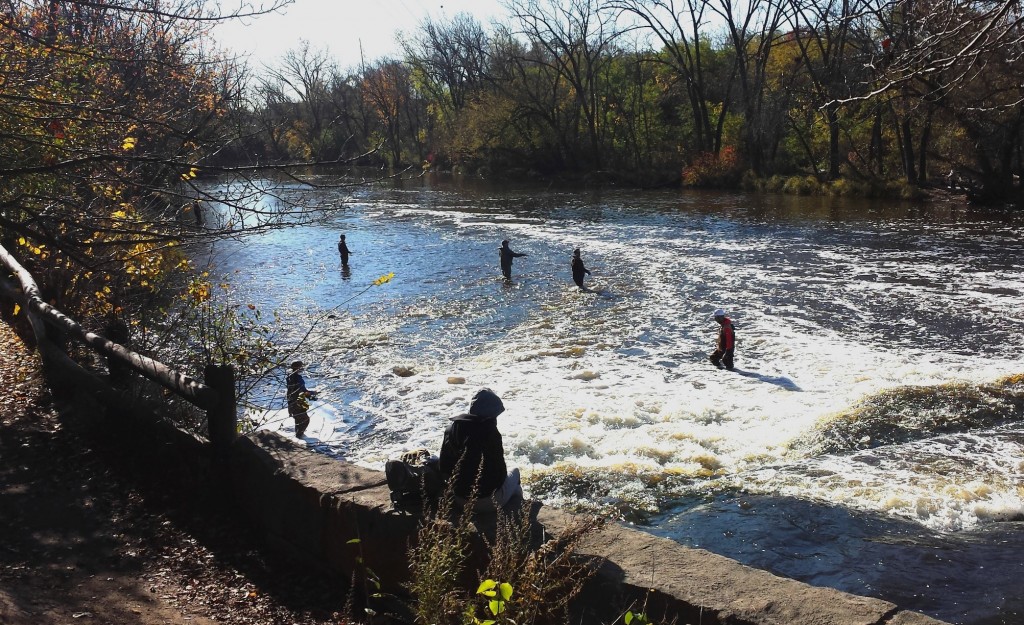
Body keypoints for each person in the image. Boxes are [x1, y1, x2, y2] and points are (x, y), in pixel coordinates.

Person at [439, 388, 522, 510]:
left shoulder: (452, 428)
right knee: (515, 474)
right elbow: (501, 474)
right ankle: (518, 510)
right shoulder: (491, 434)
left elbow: (444, 467)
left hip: (459, 499)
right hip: (488, 502)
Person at [286, 360, 317, 438]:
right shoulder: (298, 379)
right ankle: (299, 436)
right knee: (305, 420)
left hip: (292, 402)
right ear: (298, 368)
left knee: (298, 420)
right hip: (297, 402)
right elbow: (302, 391)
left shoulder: (289, 377)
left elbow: (294, 391)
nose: (302, 368)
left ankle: (298, 437)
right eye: (301, 366)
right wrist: (313, 394)